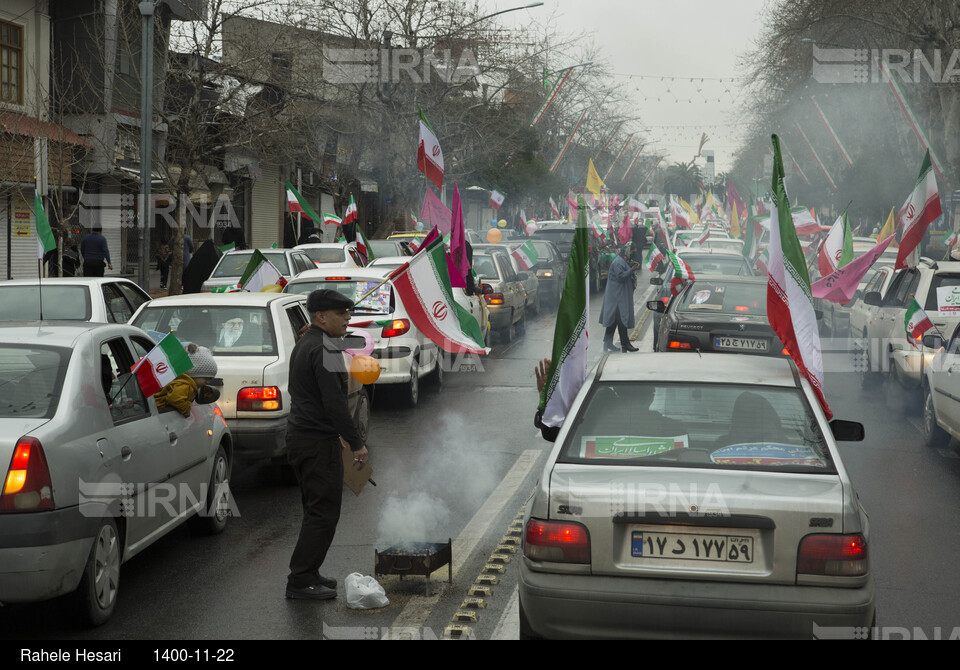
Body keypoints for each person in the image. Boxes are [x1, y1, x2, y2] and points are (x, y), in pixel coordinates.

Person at [284, 289, 368, 600]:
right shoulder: (324, 349)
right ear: (321, 316)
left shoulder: (311, 342)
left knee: (315, 510)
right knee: (323, 513)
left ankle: (310, 571)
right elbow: (335, 404)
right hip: (316, 442)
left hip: (303, 439)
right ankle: (301, 579)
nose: (348, 318)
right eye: (341, 313)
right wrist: (357, 443)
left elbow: (356, 342)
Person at [154, 344, 218, 417]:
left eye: (210, 379)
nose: (208, 382)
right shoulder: (184, 384)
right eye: (206, 378)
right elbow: (175, 399)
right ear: (194, 373)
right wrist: (186, 409)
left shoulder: (184, 382)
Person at [599, 249, 639, 353]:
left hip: (618, 296)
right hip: (616, 297)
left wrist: (629, 266)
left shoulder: (621, 261)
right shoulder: (617, 262)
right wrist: (632, 269)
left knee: (614, 320)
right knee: (621, 319)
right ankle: (625, 343)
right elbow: (621, 276)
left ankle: (608, 343)